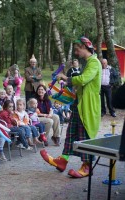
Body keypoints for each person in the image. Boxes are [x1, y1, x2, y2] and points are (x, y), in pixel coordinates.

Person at [40, 36, 102, 178]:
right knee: (71, 133)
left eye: (77, 49)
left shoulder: (94, 62)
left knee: (83, 135)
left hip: (87, 106)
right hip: (78, 104)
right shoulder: (88, 63)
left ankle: (87, 166)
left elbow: (83, 79)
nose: (75, 52)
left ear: (85, 48)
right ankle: (63, 160)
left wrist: (66, 78)